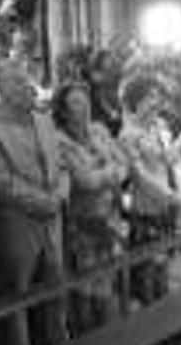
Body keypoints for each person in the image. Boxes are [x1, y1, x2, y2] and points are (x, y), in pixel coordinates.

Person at [0, 59, 70, 345]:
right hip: (17, 227)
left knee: (56, 295)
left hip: (53, 223)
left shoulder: (44, 119)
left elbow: (61, 164)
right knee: (17, 303)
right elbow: (1, 182)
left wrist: (61, 195)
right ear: (1, 89)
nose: (27, 84)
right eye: (17, 79)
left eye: (27, 77)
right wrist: (47, 203)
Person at [53, 80, 129, 335]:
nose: (83, 106)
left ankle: (109, 336)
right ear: (63, 110)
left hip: (110, 219)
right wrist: (110, 172)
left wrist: (105, 173)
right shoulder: (60, 140)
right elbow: (85, 181)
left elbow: (125, 165)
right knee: (85, 290)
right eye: (75, 102)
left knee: (107, 287)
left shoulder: (99, 129)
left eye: (84, 100)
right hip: (83, 226)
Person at [118, 75, 181, 305]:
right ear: (136, 101)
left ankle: (166, 321)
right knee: (147, 274)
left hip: (167, 207)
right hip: (147, 209)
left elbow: (169, 159)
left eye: (158, 96)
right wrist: (172, 197)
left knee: (164, 269)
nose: (156, 102)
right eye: (150, 97)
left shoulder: (160, 126)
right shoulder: (128, 134)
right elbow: (140, 175)